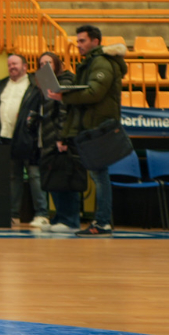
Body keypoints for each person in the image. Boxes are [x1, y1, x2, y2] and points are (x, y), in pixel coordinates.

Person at [47, 25, 128, 237]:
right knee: (99, 176)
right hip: (93, 126)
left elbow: (94, 93)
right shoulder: (91, 62)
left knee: (100, 176)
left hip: (99, 127)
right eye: (78, 40)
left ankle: (102, 223)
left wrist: (64, 96)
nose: (78, 45)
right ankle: (101, 222)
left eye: (82, 40)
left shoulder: (101, 62)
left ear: (96, 41)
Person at [0, 52, 49, 228]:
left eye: (15, 64)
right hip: (6, 138)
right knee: (13, 177)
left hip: (29, 139)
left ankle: (42, 214)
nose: (11, 67)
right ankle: (13, 215)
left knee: (34, 176)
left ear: (25, 66)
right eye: (9, 65)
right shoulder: (2, 84)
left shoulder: (35, 84)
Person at [31, 50, 85, 234]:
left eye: (48, 63)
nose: (44, 66)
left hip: (61, 139)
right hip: (48, 139)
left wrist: (63, 138)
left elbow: (65, 113)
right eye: (41, 63)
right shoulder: (44, 85)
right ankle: (60, 217)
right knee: (54, 180)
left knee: (66, 180)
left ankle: (70, 220)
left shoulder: (65, 82)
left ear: (57, 64)